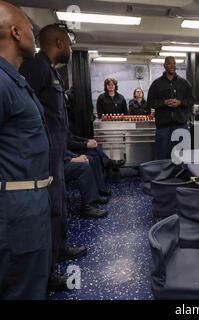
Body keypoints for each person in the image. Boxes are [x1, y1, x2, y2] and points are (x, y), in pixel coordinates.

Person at [20, 24, 86, 292]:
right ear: (59, 43)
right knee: (50, 212)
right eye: (69, 44)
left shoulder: (49, 71)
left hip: (57, 153)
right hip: (45, 156)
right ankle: (47, 274)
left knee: (58, 209)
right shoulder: (36, 67)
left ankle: (60, 251)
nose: (70, 49)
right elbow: (28, 114)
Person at [0, 1, 52, 299]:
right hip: (14, 206)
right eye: (31, 29)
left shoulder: (16, 80)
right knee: (21, 289)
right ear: (16, 32)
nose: (35, 35)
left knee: (32, 282)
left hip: (31, 199)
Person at [148, 56, 194, 159]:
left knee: (182, 156)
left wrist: (180, 102)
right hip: (163, 127)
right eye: (169, 63)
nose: (172, 66)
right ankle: (163, 174)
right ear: (164, 65)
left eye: (174, 63)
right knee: (163, 155)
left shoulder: (184, 83)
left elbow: (191, 100)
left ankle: (181, 175)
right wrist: (163, 102)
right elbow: (150, 102)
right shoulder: (156, 84)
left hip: (180, 125)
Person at [64, 151, 108, 219]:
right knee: (84, 167)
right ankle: (86, 208)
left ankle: (94, 196)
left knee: (89, 159)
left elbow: (63, 150)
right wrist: (72, 159)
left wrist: (76, 156)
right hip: (55, 167)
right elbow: (54, 154)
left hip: (62, 160)